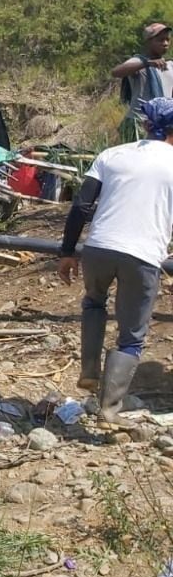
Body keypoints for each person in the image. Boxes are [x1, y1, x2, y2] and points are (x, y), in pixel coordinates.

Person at [58, 98, 173, 429]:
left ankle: (89, 371)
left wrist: (67, 251)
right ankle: (109, 409)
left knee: (94, 302)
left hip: (98, 248)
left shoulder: (112, 154)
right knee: (132, 336)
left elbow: (81, 206)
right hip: (143, 256)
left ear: (147, 125)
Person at [113, 23, 173, 142]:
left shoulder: (170, 65)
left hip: (163, 125)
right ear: (149, 41)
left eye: (168, 40)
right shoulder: (138, 62)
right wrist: (147, 63)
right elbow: (116, 72)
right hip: (139, 123)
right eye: (160, 40)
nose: (165, 43)